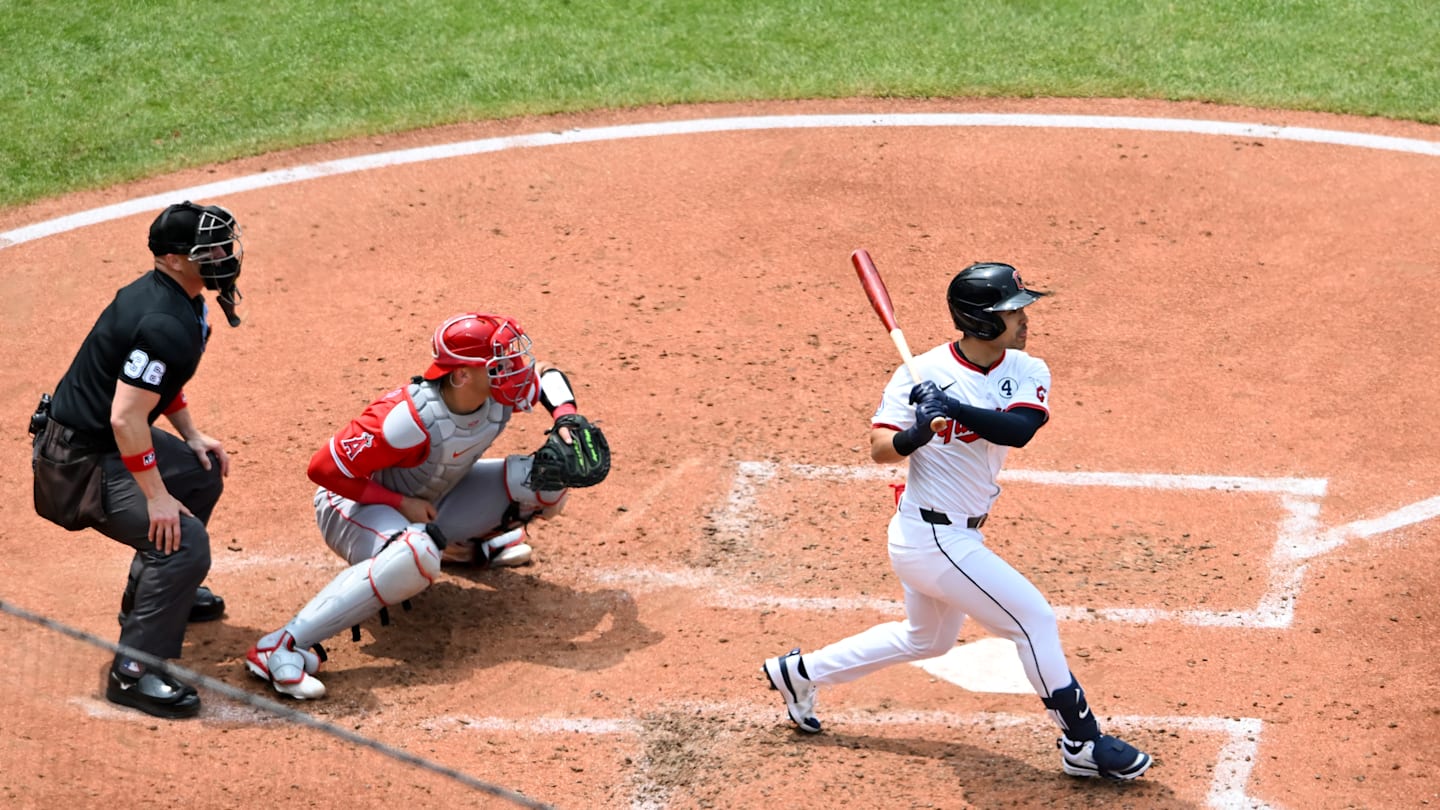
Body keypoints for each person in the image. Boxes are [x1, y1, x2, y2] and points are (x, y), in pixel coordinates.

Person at [761, 261, 1152, 781]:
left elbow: (1018, 430)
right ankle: (1082, 743)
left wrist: (952, 408)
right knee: (1033, 621)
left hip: (949, 533)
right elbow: (880, 448)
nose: (1025, 318)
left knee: (927, 641)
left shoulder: (1027, 369)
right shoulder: (916, 373)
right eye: (1013, 311)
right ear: (983, 320)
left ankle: (801, 672)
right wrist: (913, 436)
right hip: (931, 539)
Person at [246, 311, 609, 699]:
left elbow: (547, 377)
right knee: (414, 556)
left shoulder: (498, 393)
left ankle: (464, 548)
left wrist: (566, 417)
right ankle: (280, 646)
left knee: (547, 480)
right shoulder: (406, 419)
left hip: (432, 500)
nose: (514, 370)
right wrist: (399, 501)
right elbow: (323, 470)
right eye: (499, 365)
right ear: (461, 375)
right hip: (354, 507)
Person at [30, 201, 247, 719]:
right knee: (182, 543)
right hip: (77, 465)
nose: (223, 255)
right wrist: (156, 497)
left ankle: (155, 597)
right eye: (208, 249)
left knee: (202, 471)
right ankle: (133, 673)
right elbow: (127, 419)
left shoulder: (185, 300)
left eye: (223, 243)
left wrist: (192, 435)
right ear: (174, 259)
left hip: (101, 444)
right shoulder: (161, 319)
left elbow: (155, 388)